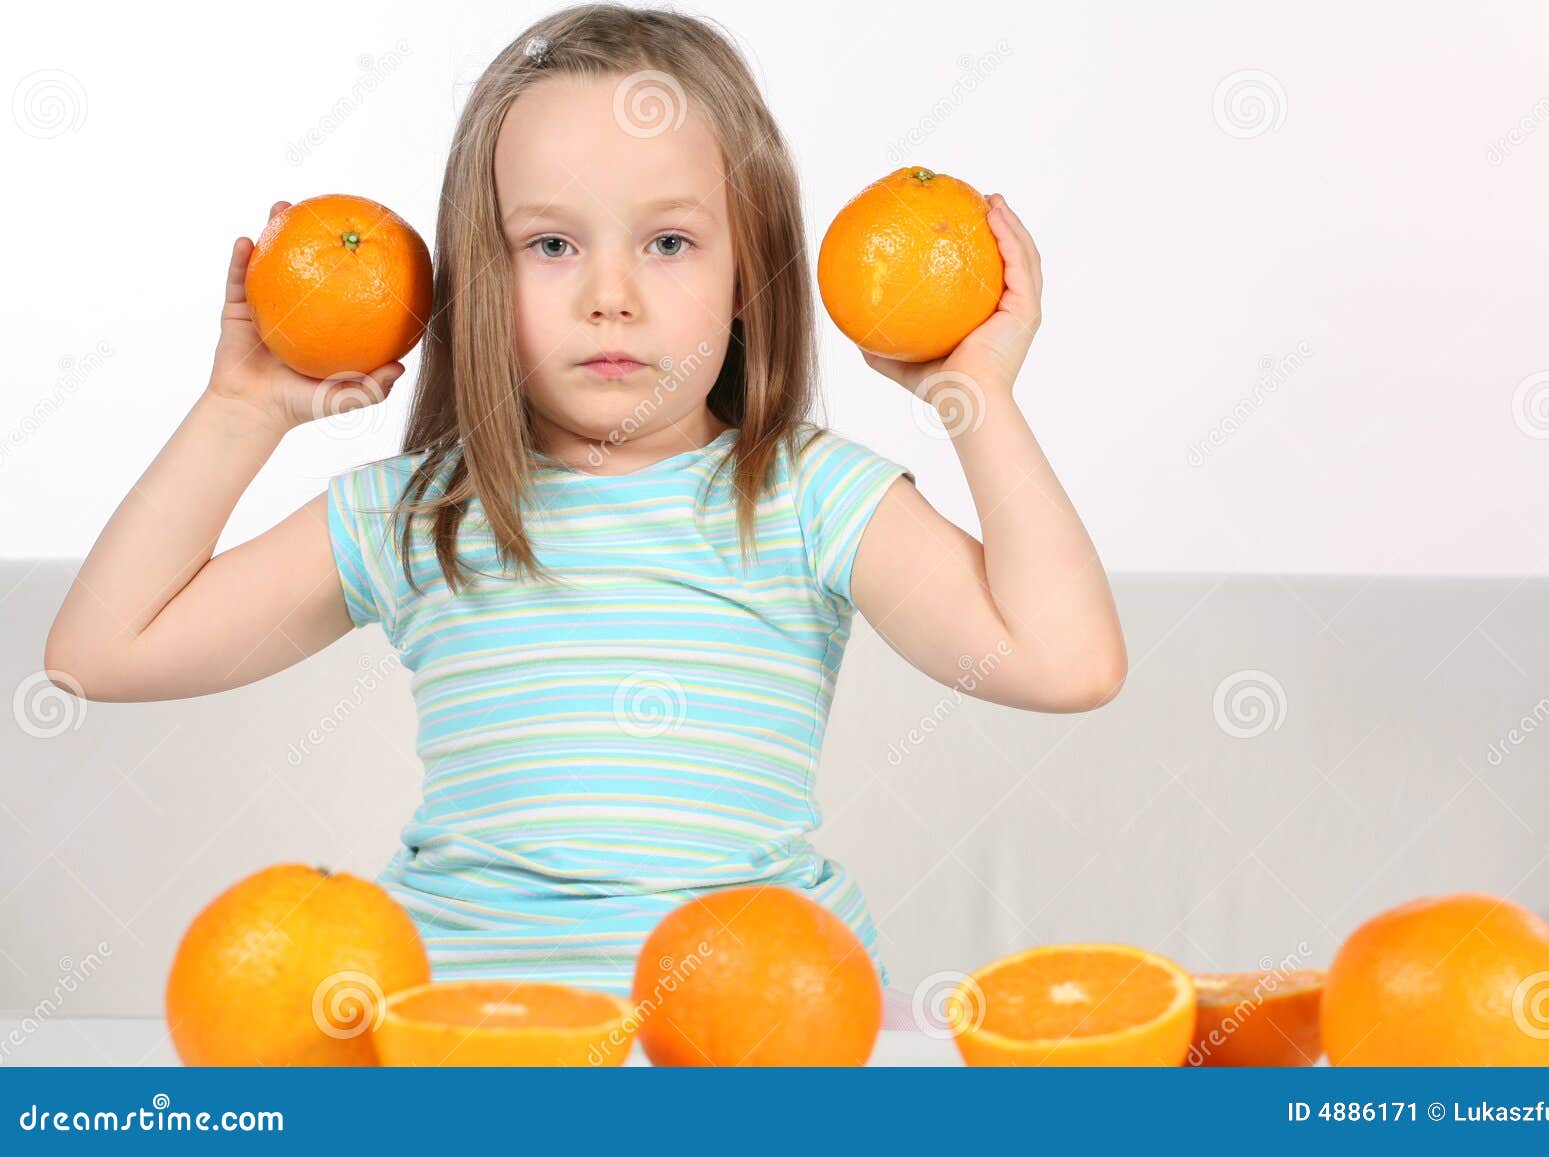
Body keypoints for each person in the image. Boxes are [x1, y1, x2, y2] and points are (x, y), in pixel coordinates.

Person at [43, 4, 1127, 1030]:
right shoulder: (422, 510)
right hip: (467, 1035)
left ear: (748, 273)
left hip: (760, 1030)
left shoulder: (807, 495)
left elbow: (1067, 663)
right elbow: (101, 652)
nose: (611, 295)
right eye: (552, 245)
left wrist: (976, 399)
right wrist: (240, 411)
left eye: (669, 243)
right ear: (478, 273)